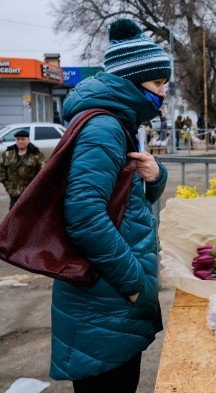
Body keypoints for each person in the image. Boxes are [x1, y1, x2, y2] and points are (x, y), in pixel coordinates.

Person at [51, 18, 170, 393]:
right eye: (158, 84)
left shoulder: (119, 122)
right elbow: (85, 216)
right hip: (104, 302)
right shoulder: (104, 127)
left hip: (109, 301)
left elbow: (124, 206)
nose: (164, 93)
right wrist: (135, 283)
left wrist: (155, 177)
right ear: (133, 81)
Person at [0, 129, 45, 209]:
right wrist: (8, 187)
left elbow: (43, 173)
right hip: (14, 193)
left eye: (23, 139)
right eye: (18, 139)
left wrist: (35, 188)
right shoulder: (8, 154)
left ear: (28, 140)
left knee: (29, 217)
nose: (20, 141)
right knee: (13, 217)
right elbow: (1, 171)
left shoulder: (36, 155)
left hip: (30, 194)